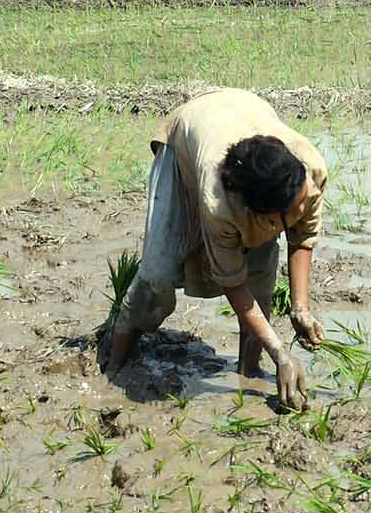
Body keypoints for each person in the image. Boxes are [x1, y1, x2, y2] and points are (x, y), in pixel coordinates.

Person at [100, 88, 328, 411]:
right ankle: (114, 364)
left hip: (244, 112)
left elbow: (302, 236)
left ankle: (248, 372)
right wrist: (280, 352)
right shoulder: (218, 202)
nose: (305, 205)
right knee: (157, 275)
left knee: (262, 279)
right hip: (188, 139)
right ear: (262, 215)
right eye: (298, 206)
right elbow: (232, 283)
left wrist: (300, 307)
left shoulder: (307, 172)